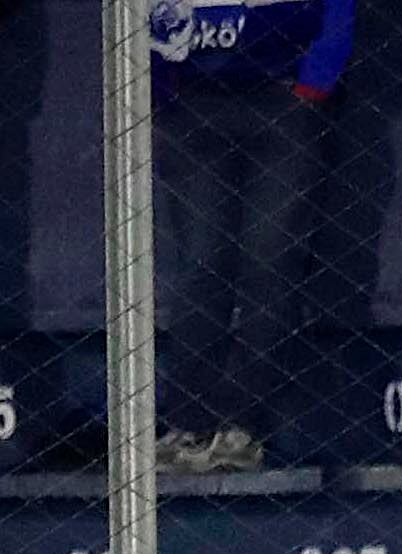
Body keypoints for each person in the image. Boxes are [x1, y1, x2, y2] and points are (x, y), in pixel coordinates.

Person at [149, 0, 358, 476]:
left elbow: (337, 10)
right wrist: (162, 88)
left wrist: (312, 83)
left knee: (270, 263)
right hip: (192, 105)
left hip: (284, 101)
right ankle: (190, 423)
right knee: (201, 265)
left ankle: (241, 427)